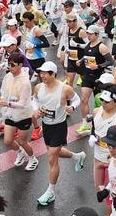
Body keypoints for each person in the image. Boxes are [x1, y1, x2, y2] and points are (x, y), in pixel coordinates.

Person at [32, 61, 86, 205]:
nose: (41, 76)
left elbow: (76, 99)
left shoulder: (65, 89)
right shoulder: (38, 87)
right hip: (47, 125)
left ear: (53, 74)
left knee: (51, 159)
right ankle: (77, 157)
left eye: (44, 73)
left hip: (59, 127)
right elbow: (35, 101)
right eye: (40, 73)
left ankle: (50, 192)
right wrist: (36, 110)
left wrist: (72, 108)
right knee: (54, 152)